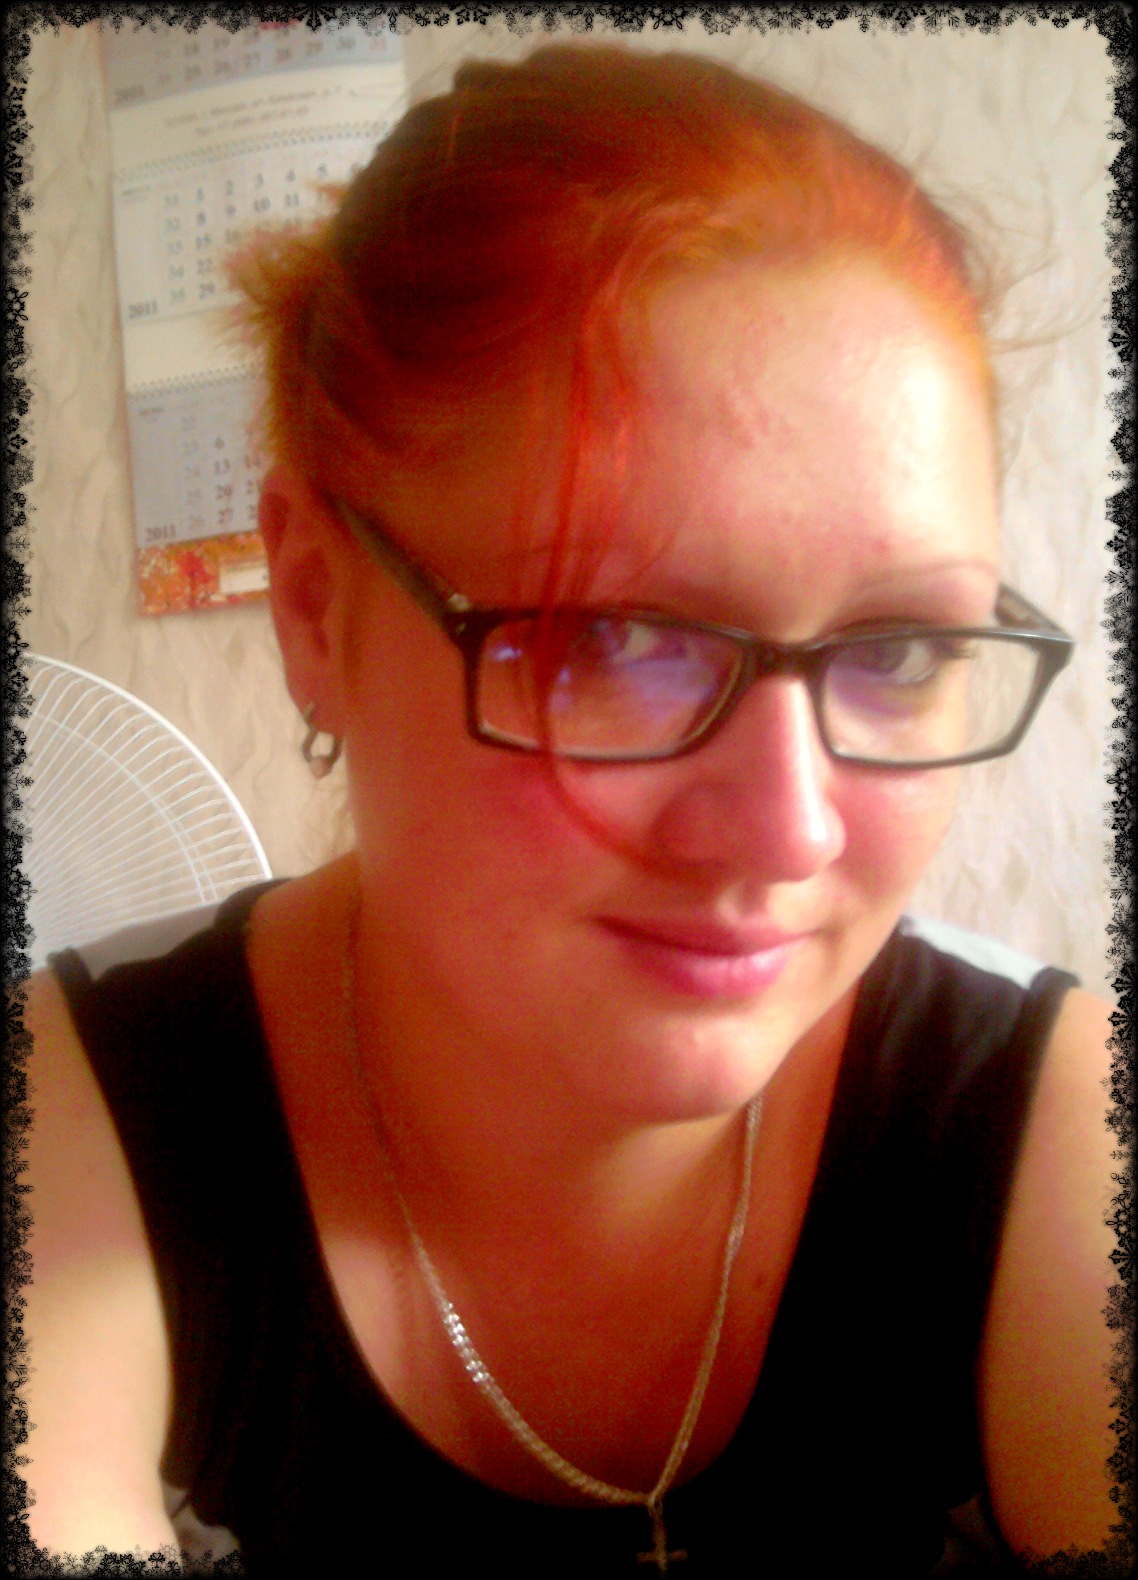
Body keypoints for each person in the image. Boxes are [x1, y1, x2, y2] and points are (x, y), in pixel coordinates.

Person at [20, 43, 1124, 1577]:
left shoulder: (1046, 1126)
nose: (792, 833)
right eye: (612, 640)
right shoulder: (80, 1125)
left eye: (897, 652)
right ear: (319, 607)